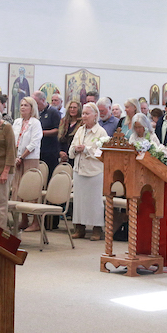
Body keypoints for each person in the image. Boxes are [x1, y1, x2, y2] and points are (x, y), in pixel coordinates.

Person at [69, 102, 109, 240]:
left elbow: (102, 153)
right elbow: (71, 149)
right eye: (83, 114)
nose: (84, 116)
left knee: (94, 202)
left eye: (87, 114)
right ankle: (79, 228)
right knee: (79, 201)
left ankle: (97, 229)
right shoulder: (80, 130)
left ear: (95, 115)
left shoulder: (101, 132)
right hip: (79, 170)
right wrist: (75, 149)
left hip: (94, 172)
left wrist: (86, 149)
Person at [11, 96, 42, 230]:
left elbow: (34, 143)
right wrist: (15, 156)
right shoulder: (17, 122)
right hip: (17, 158)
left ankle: (35, 222)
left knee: (30, 189)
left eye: (26, 105)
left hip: (29, 158)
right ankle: (23, 220)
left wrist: (22, 157)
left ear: (32, 108)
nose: (23, 107)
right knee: (18, 189)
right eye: (22, 105)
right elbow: (12, 139)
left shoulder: (35, 123)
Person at [35, 91, 61, 177]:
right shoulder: (36, 112)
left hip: (50, 150)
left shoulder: (53, 112)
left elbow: (58, 130)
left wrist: (41, 133)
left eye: (37, 103)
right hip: (39, 149)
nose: (35, 106)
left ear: (43, 100)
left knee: (49, 174)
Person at [57, 99, 82, 165]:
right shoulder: (63, 121)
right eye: (70, 107)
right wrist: (60, 152)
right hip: (63, 154)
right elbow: (59, 138)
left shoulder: (82, 123)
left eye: (75, 108)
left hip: (75, 155)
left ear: (79, 109)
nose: (72, 109)